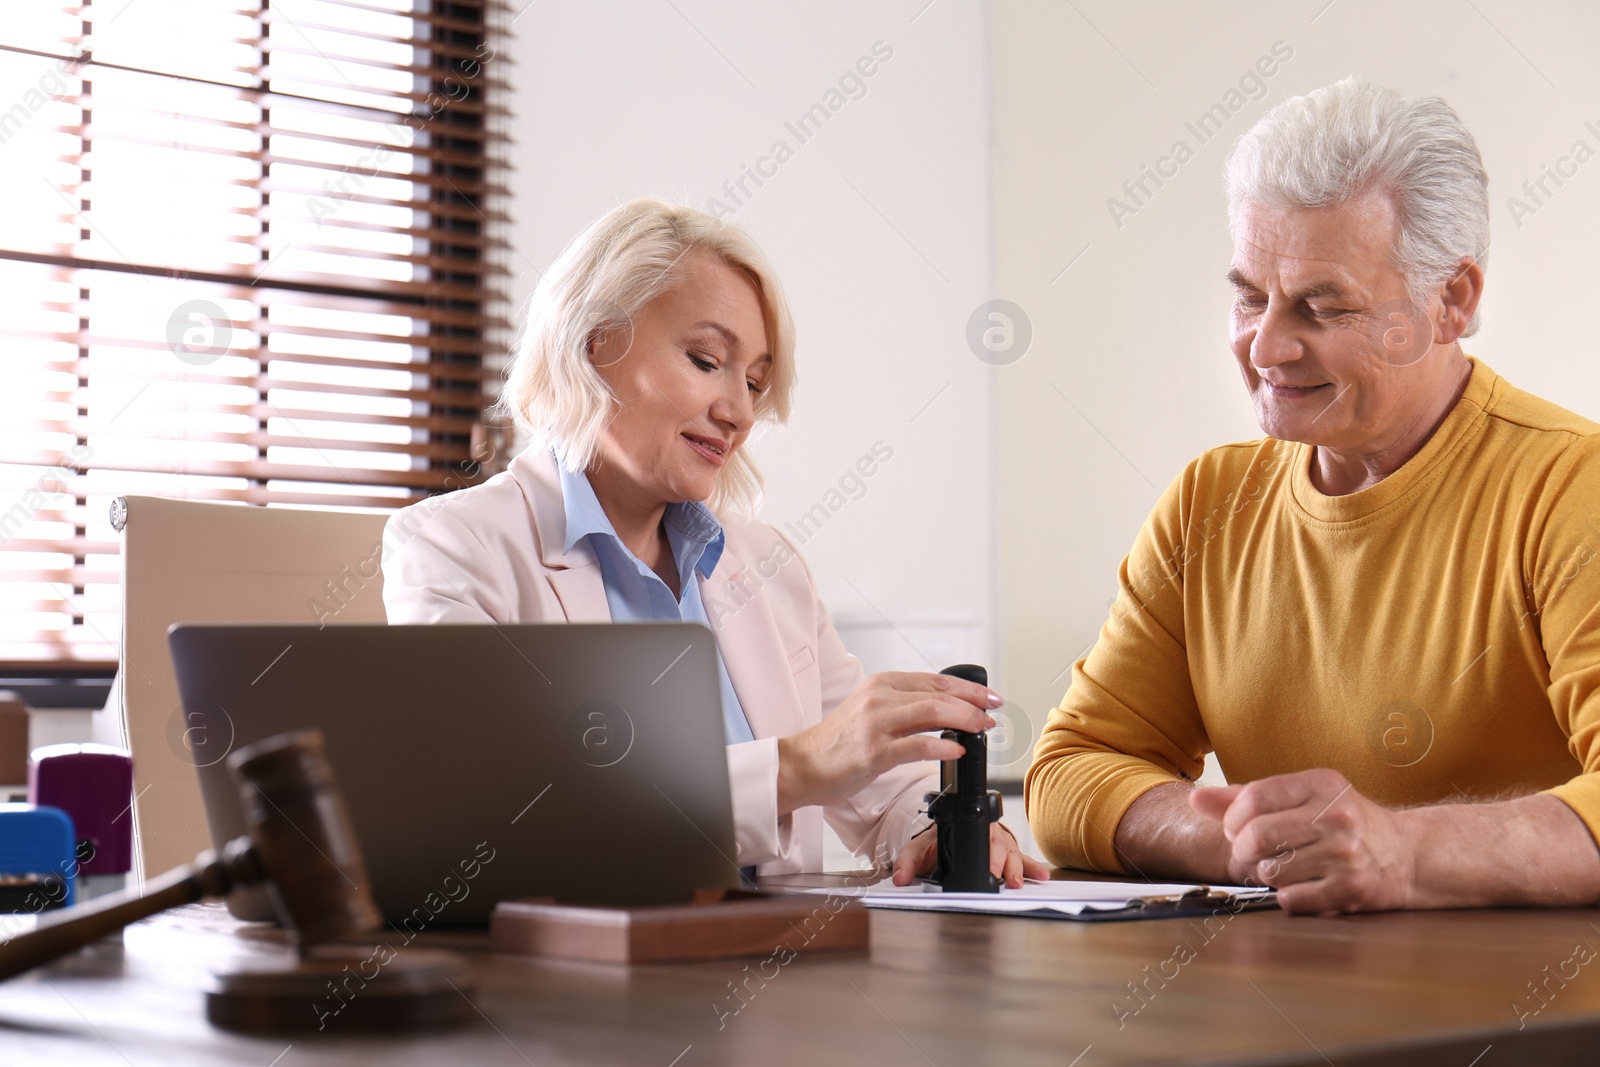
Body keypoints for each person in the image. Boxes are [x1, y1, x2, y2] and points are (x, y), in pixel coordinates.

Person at [1027, 78, 1600, 914]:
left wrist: (1404, 852)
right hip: (1293, 1014)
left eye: (1321, 307)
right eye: (1250, 295)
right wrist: (1256, 843)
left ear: (1454, 300)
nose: (1265, 346)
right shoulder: (1207, 502)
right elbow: (1070, 773)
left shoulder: (1570, 487)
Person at [385, 199, 1046, 886]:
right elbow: (505, 814)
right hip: (579, 983)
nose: (738, 412)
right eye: (707, 360)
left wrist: (944, 823)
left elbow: (882, 788)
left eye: (755, 382)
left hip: (778, 975)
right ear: (595, 344)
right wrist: (795, 766)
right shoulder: (452, 547)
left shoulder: (770, 567)